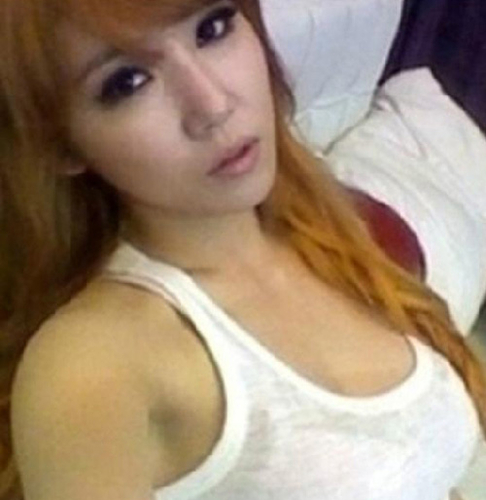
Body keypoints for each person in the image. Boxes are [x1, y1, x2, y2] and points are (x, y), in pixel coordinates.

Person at [0, 0, 484, 499]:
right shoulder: (93, 365)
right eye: (128, 82)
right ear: (60, 145)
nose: (213, 106)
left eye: (213, 28)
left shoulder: (326, 233)